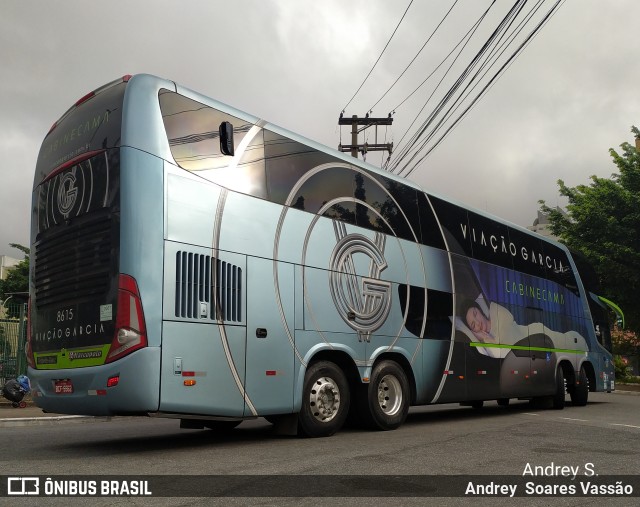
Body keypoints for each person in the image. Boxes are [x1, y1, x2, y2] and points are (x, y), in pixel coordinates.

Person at [460, 299, 588, 358]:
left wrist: (488, 337)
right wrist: (485, 337)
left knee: (568, 343)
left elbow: (505, 336)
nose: (477, 322)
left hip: (533, 333)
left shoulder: (496, 311)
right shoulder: (487, 342)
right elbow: (502, 351)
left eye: (475, 313)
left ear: (480, 310)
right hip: (533, 345)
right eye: (472, 325)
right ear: (473, 331)